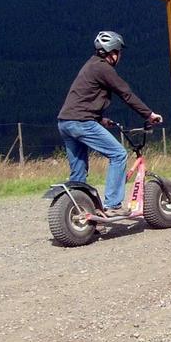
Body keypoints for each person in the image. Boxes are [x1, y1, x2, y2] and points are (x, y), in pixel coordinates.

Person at [57, 31, 162, 217]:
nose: (119, 55)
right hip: (81, 122)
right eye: (119, 51)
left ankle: (80, 211)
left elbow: (83, 98)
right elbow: (126, 94)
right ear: (111, 52)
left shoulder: (90, 65)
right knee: (119, 154)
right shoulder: (103, 68)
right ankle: (113, 204)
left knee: (78, 173)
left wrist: (99, 119)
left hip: (66, 122)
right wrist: (149, 114)